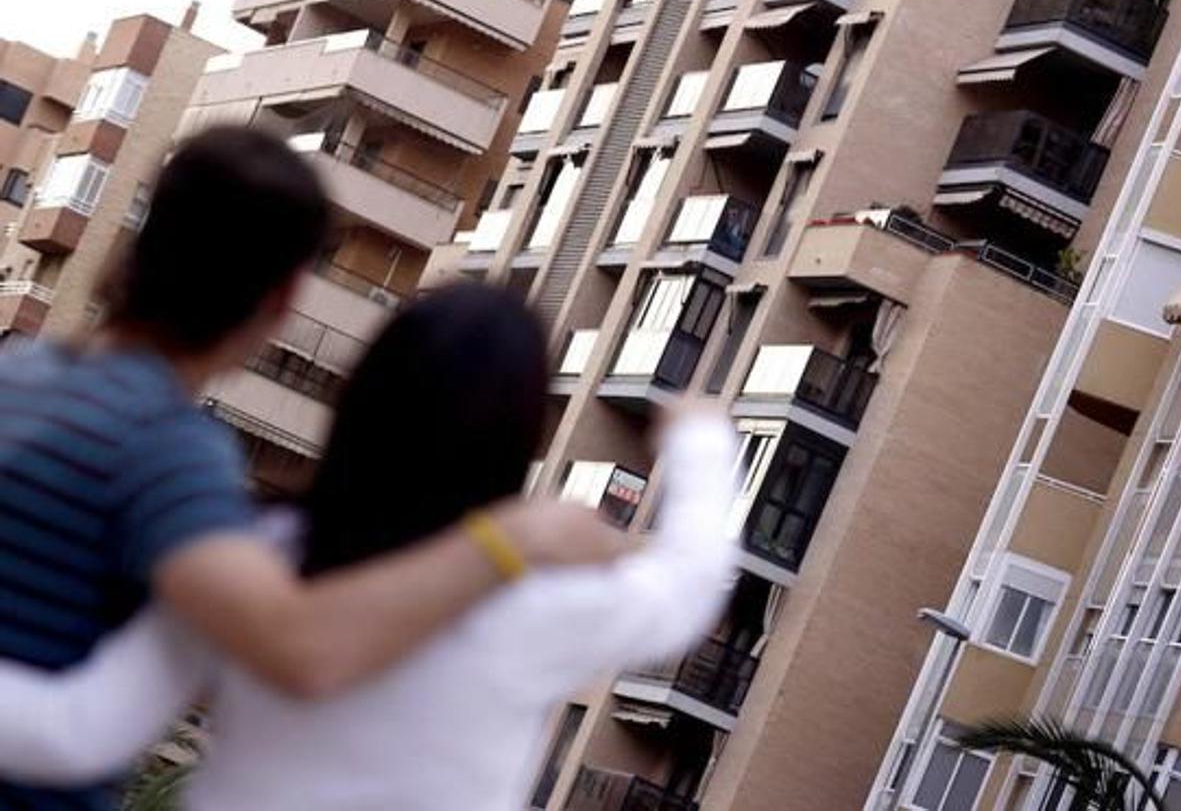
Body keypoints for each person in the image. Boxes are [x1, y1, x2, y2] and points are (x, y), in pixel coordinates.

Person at [0, 128, 617, 809]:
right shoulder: (164, 450)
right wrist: (512, 541)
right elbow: (303, 651)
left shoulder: (17, 375)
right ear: (284, 298)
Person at [0, 283, 737, 811]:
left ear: (364, 398)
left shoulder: (264, 556)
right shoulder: (539, 603)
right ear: (519, 438)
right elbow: (690, 583)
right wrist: (702, 441)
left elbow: (81, 730)